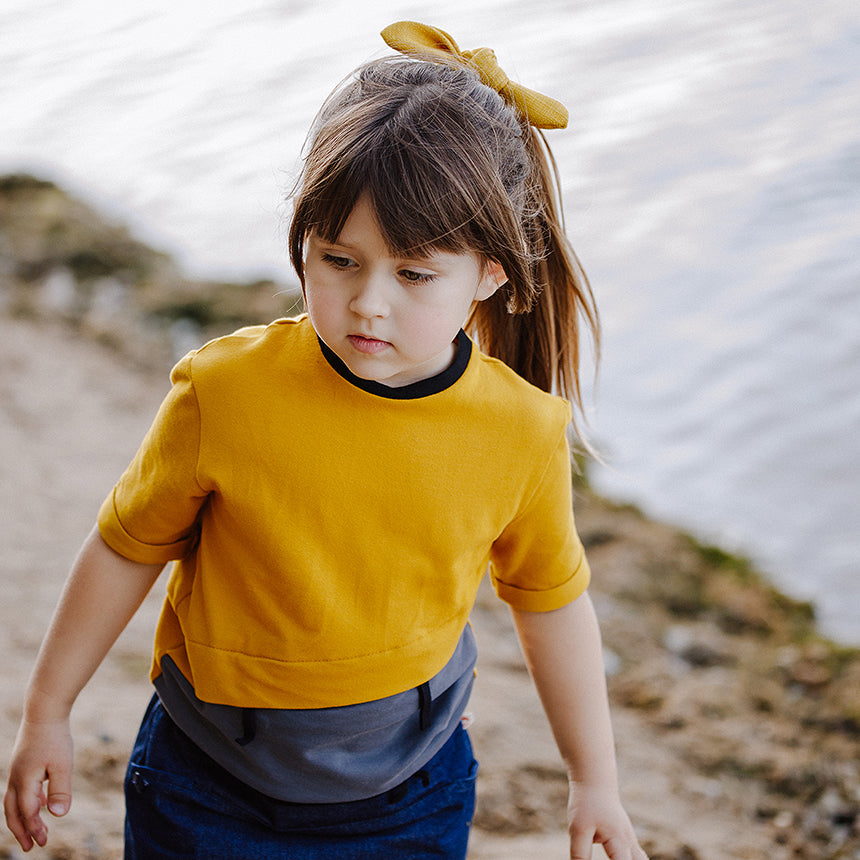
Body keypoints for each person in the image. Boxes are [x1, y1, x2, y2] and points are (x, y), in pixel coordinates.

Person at [4, 20, 648, 860]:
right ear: (303, 238)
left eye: (414, 274)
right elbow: (125, 547)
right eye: (338, 259)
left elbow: (551, 601)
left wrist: (593, 778)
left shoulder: (519, 431)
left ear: (489, 274)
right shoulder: (225, 392)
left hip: (408, 799)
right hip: (206, 784)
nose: (369, 301)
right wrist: (47, 712)